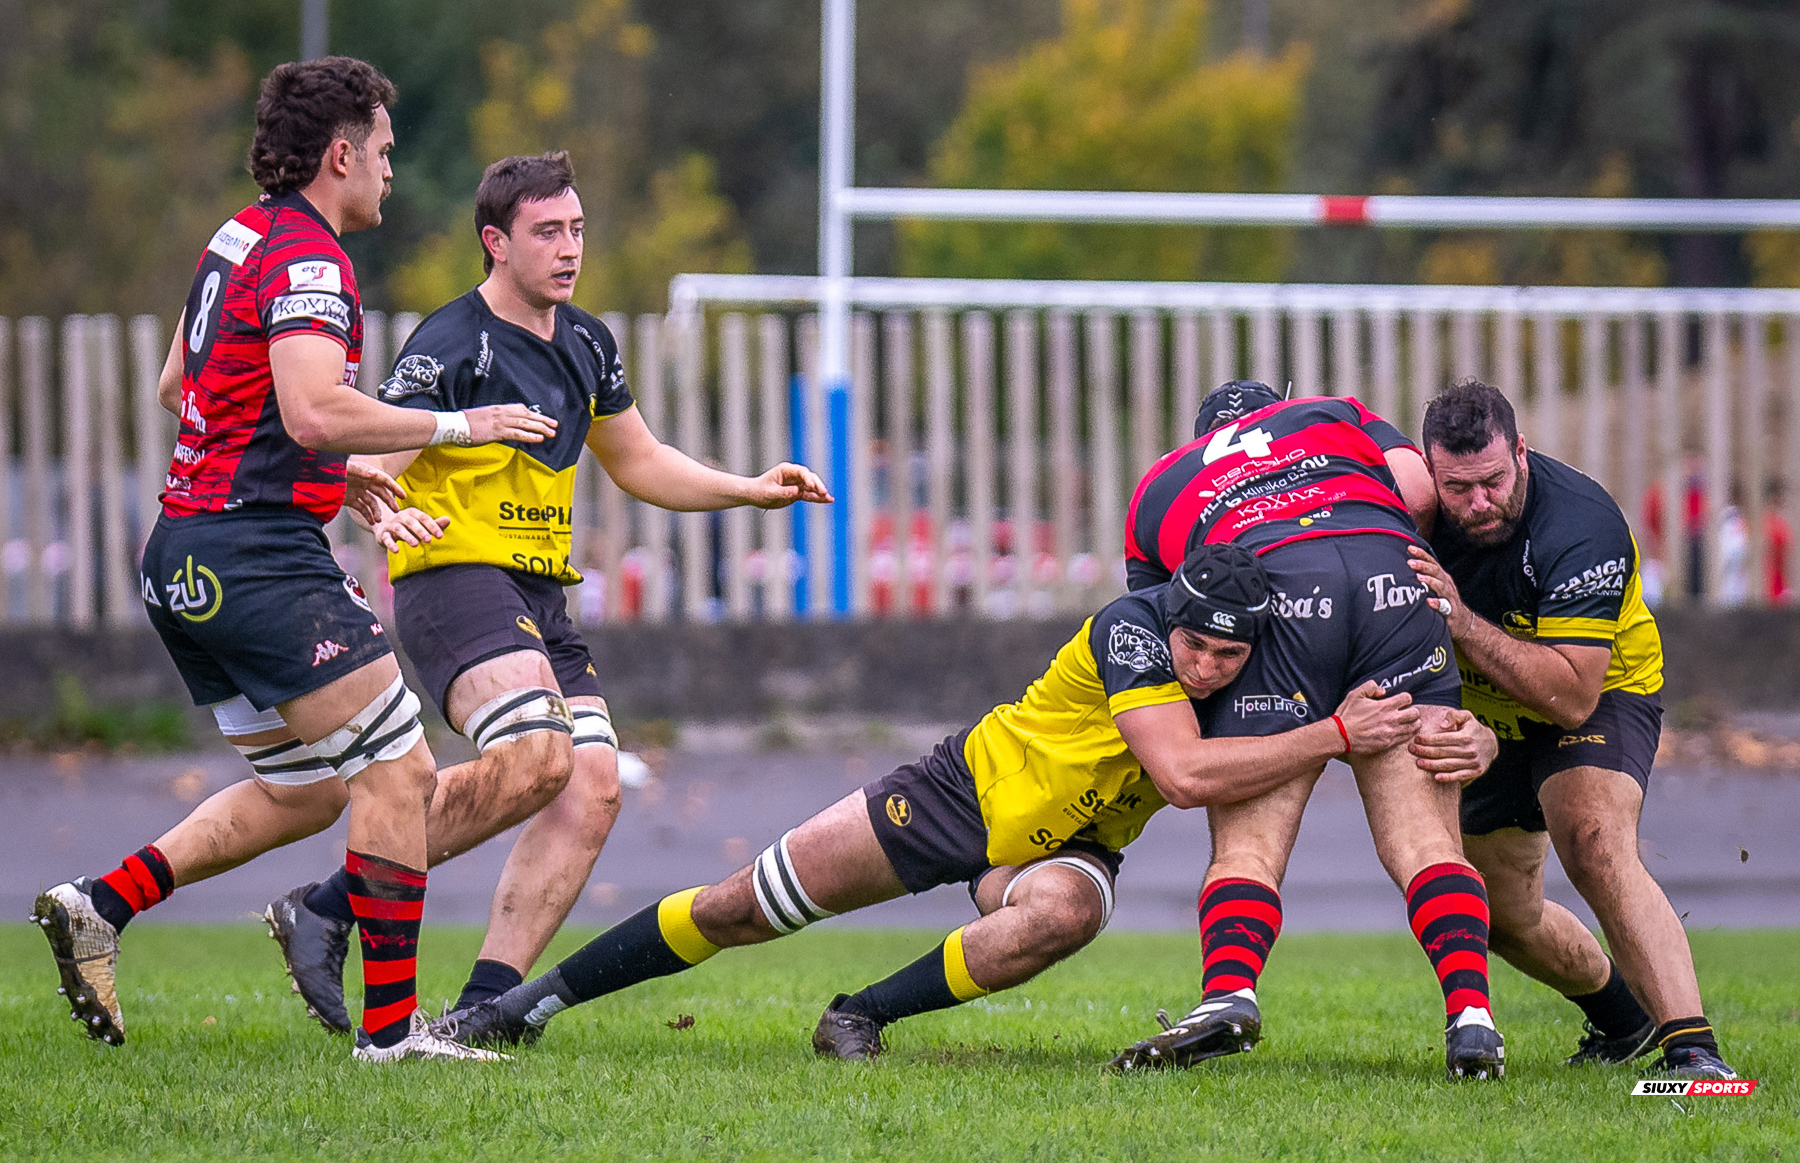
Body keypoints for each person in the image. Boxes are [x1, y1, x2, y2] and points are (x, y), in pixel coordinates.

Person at [433, 545, 1470, 1064]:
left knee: (1066, 913)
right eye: (1199, 645)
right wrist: (1339, 735)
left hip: (1070, 845)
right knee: (736, 910)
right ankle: (524, 1006)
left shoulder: (1249, 662)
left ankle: (860, 1017)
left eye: (1228, 655)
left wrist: (1447, 729)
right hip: (957, 797)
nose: (1207, 667)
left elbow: (1345, 720)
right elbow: (1191, 779)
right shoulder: (1134, 628)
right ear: (1175, 617)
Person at [30, 57, 552, 1061]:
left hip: (185, 556)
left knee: (313, 787)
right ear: (341, 154)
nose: (393, 174)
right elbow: (308, 406)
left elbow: (183, 383)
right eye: (386, 153)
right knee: (399, 775)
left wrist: (333, 468)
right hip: (259, 560)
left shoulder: (238, 236)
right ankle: (393, 1040)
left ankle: (101, 903)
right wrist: (457, 422)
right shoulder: (314, 261)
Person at [263, 151, 831, 1034]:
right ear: (495, 242)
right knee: (538, 753)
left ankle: (484, 1007)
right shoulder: (451, 344)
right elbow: (371, 458)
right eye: (546, 233)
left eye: (576, 229)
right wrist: (372, 505)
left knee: (592, 783)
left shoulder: (588, 344)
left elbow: (639, 462)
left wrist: (748, 488)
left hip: (539, 597)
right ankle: (338, 902)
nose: (569, 249)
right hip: (454, 580)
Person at [1108, 380, 1506, 1081]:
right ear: (1276, 407)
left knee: (1251, 846)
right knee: (1424, 841)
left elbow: (1166, 614)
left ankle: (1229, 991)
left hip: (1277, 584)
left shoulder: (1162, 481)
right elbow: (1416, 490)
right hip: (1394, 570)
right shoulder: (1329, 413)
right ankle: (1472, 1017)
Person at [1409, 380, 1736, 1079]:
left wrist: (1461, 621)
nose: (1477, 503)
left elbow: (1570, 696)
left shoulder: (1581, 523)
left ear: (1521, 453)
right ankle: (1624, 1022)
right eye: (1457, 487)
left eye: (1493, 481)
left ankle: (1695, 1053)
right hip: (1489, 711)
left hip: (1596, 689)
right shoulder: (1413, 515)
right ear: (1431, 472)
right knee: (1494, 912)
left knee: (1591, 839)